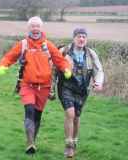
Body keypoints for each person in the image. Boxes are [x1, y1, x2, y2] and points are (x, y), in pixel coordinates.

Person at [0, 16, 72, 154]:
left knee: (37, 115)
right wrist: (3, 65)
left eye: (38, 26)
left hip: (43, 87)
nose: (35, 29)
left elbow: (60, 60)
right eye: (33, 26)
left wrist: (67, 69)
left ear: (41, 28)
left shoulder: (48, 45)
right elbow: (10, 56)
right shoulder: (23, 44)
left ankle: (33, 142)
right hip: (27, 85)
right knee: (29, 110)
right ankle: (30, 143)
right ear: (28, 28)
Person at [49, 27, 104, 158]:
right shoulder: (64, 51)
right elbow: (53, 70)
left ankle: (74, 144)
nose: (81, 39)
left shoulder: (91, 53)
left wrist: (98, 83)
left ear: (86, 38)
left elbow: (98, 70)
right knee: (70, 113)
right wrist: (50, 89)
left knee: (77, 117)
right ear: (74, 38)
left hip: (82, 89)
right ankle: (68, 147)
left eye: (84, 37)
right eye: (79, 36)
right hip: (65, 86)